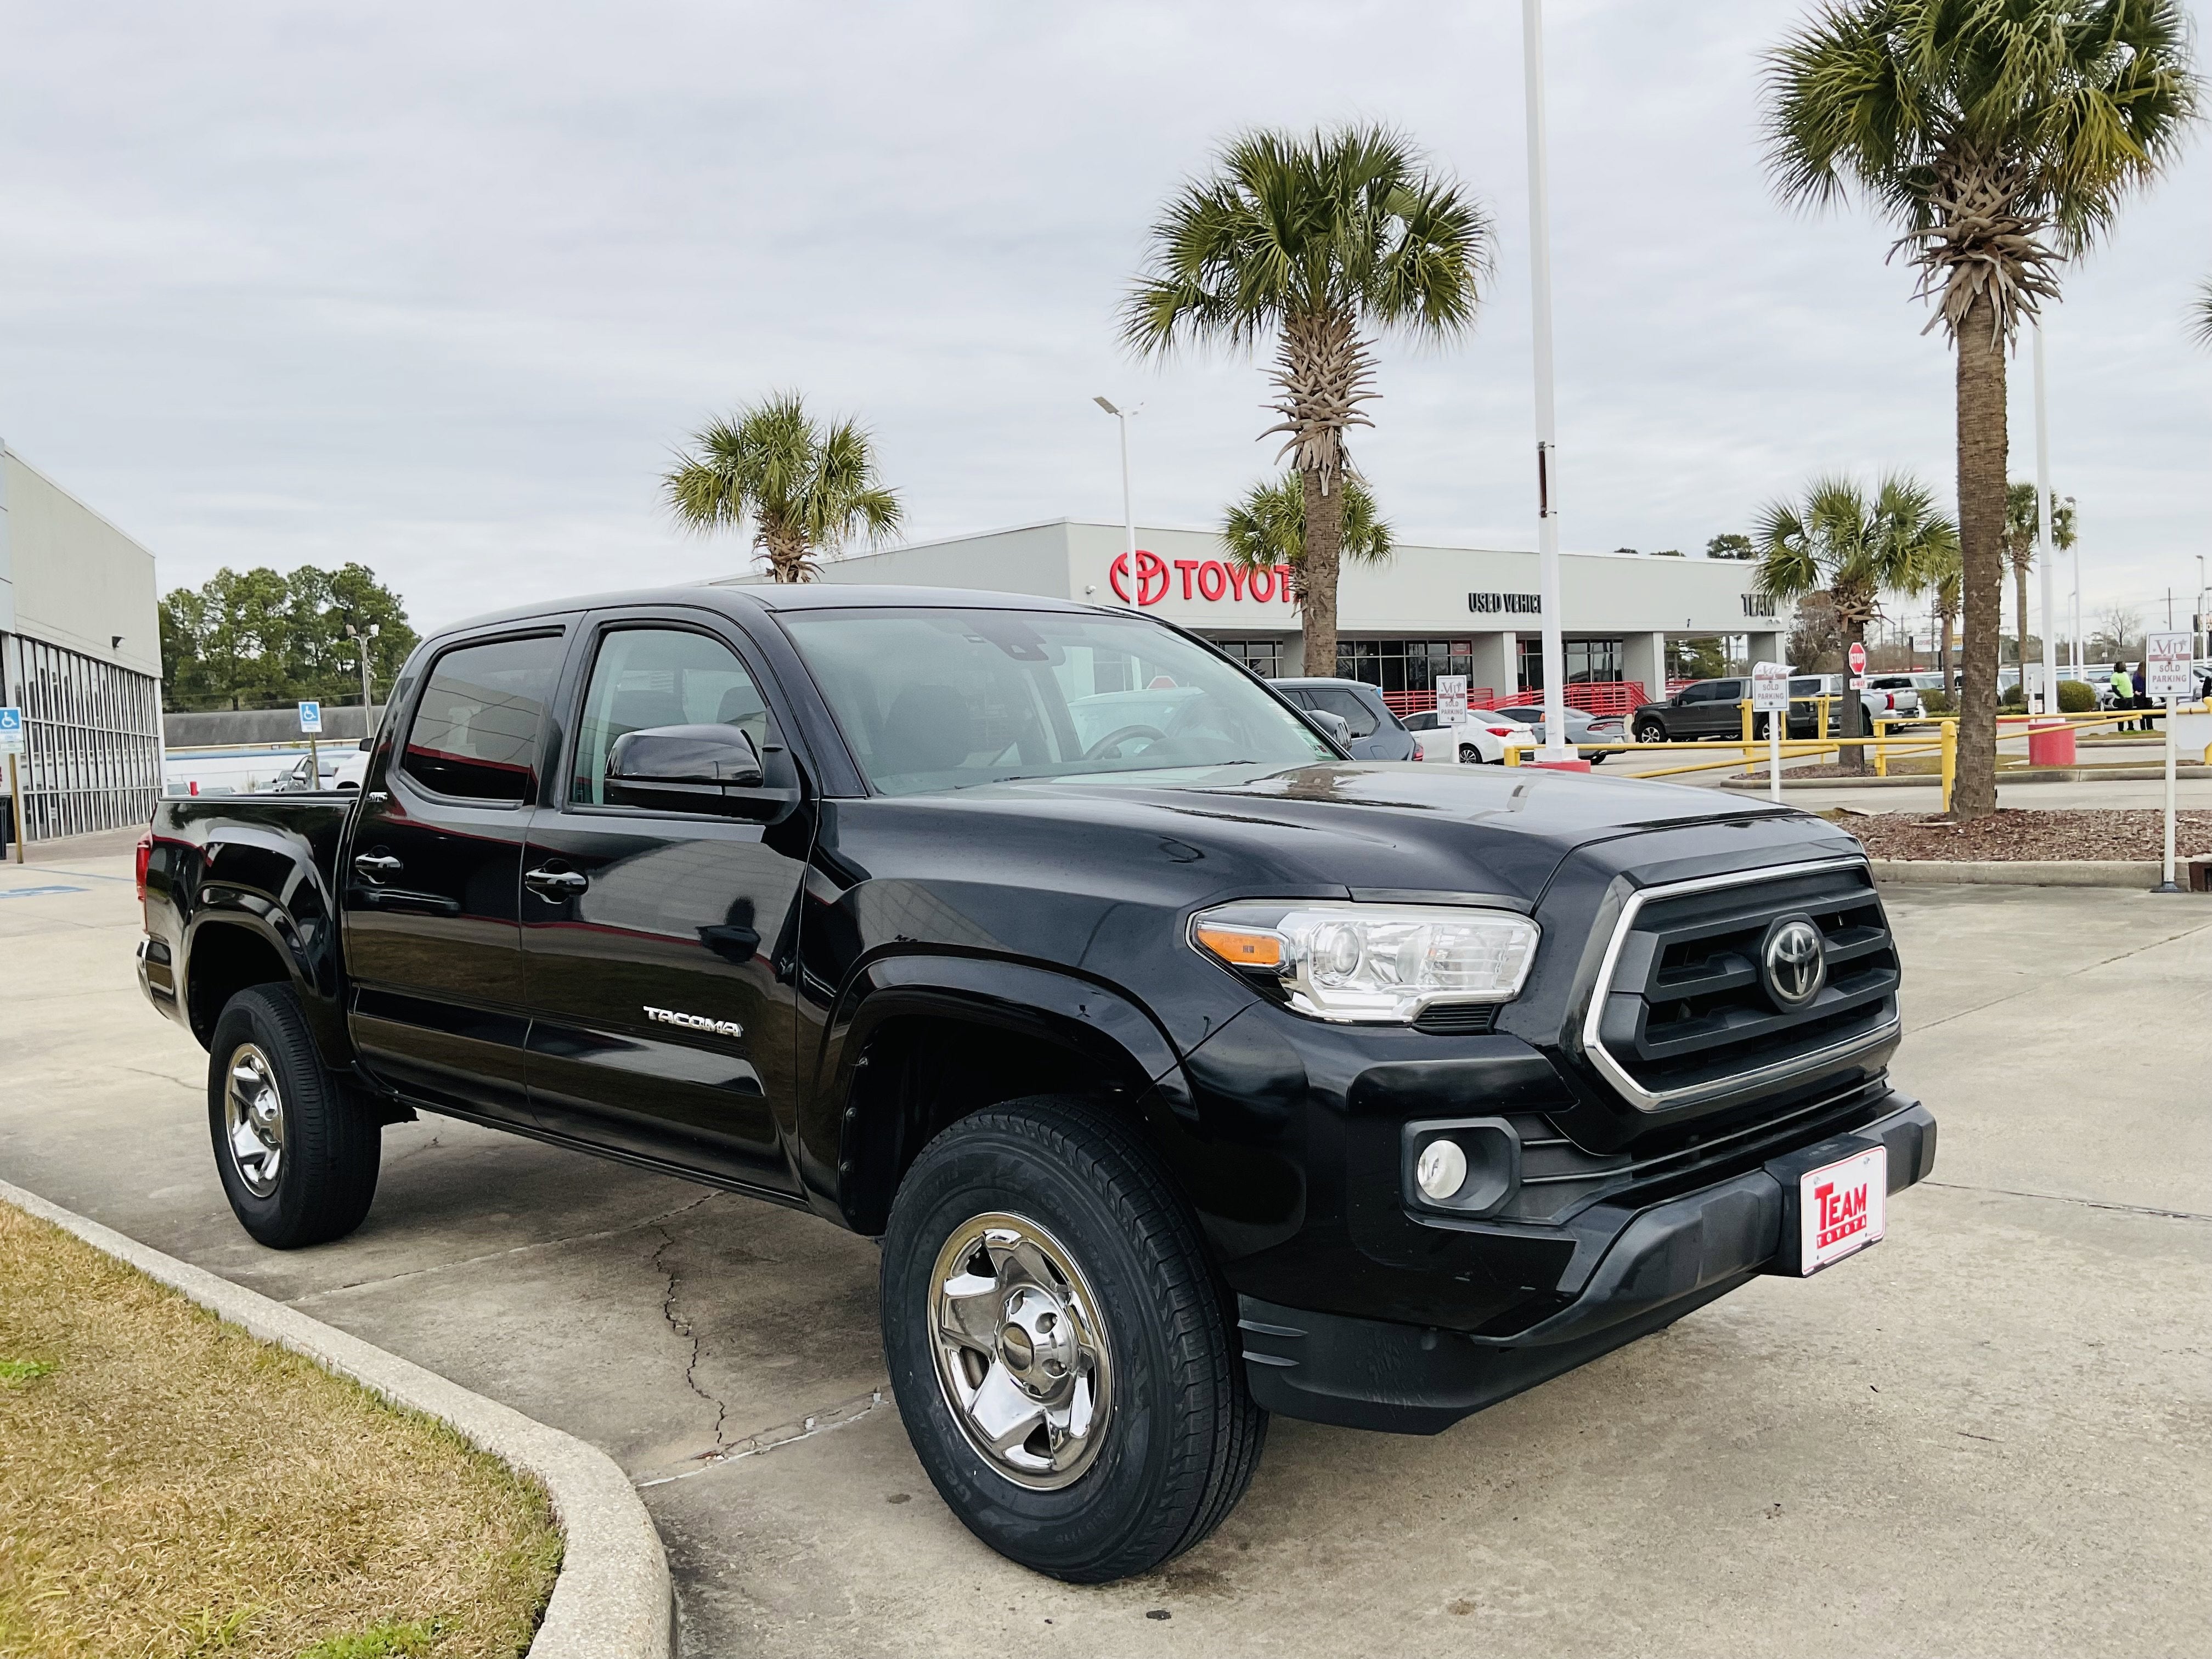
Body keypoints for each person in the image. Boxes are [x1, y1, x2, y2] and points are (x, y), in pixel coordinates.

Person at [2112, 663, 2135, 731]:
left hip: (2130, 697)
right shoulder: (2114, 676)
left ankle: (2131, 728)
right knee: (2121, 715)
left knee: (2130, 715)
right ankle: (2121, 730)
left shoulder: (2125, 674)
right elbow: (2114, 689)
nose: (2124, 667)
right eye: (2122, 666)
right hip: (2121, 699)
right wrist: (2122, 697)